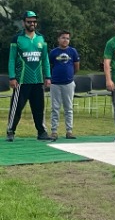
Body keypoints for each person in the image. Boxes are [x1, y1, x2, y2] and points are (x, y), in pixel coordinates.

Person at [6, 10, 52, 141]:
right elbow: (11, 59)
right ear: (23, 23)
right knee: (17, 108)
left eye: (34, 21)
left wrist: (47, 76)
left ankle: (42, 132)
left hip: (37, 80)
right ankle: (11, 131)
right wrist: (12, 77)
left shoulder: (41, 38)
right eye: (29, 21)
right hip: (22, 80)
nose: (32, 24)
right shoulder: (17, 39)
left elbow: (45, 59)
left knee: (39, 108)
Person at [49, 30, 80, 140]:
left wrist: (70, 75)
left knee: (68, 108)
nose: (65, 40)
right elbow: (49, 66)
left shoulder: (73, 52)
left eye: (67, 38)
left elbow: (76, 66)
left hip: (68, 83)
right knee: (55, 108)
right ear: (58, 39)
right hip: (55, 83)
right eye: (63, 38)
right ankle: (54, 131)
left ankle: (69, 131)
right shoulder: (53, 52)